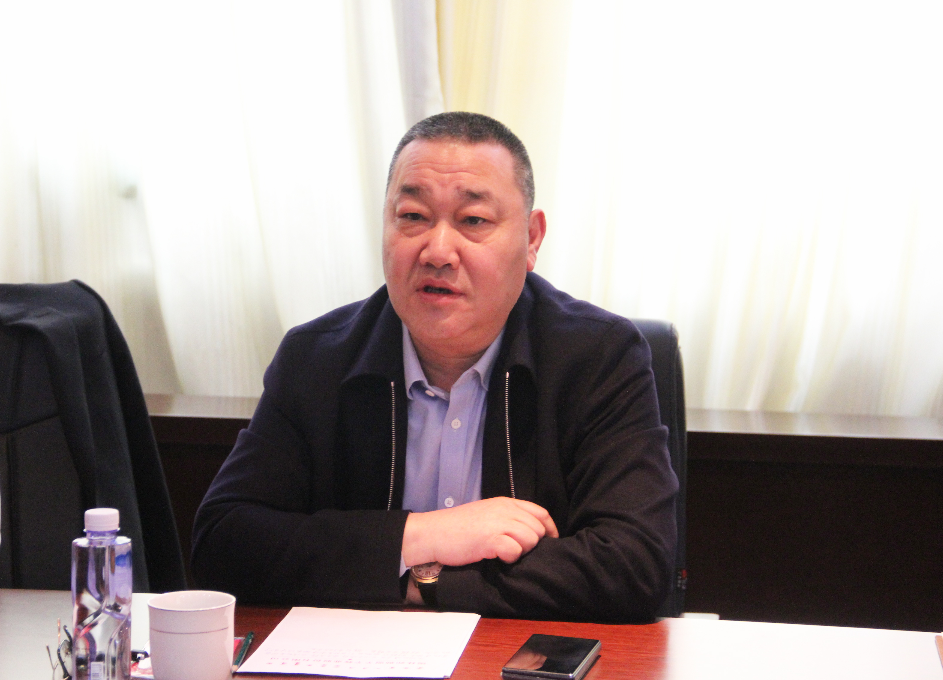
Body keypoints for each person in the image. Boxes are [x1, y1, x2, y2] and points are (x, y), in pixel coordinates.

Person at [192, 112, 678, 622]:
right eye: (413, 216)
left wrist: (424, 582)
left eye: (473, 221)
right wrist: (423, 535)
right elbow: (224, 542)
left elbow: (635, 565)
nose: (439, 251)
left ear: (532, 239)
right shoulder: (317, 359)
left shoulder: (598, 358)